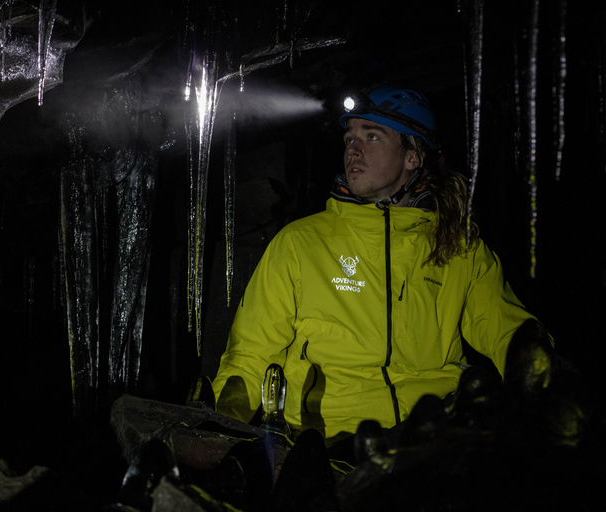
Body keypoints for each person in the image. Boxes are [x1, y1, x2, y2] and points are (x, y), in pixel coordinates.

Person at [211, 85, 541, 444]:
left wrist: (547, 379)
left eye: (371, 136)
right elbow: (250, 354)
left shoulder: (458, 249)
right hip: (327, 439)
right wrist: (220, 424)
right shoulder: (301, 243)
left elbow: (507, 331)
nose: (353, 148)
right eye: (349, 138)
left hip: (432, 433)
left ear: (412, 156)